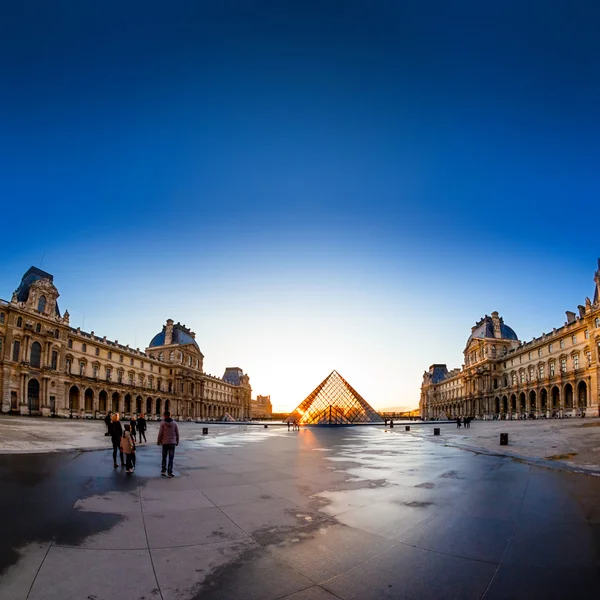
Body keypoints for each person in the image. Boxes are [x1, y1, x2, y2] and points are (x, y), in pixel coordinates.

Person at [157, 410, 179, 477]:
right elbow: (177, 433)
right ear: (170, 415)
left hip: (165, 442)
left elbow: (160, 433)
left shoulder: (162, 423)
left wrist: (159, 440)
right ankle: (169, 472)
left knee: (164, 457)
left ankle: (163, 470)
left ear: (164, 415)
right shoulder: (174, 423)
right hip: (172, 443)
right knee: (171, 458)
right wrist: (177, 441)